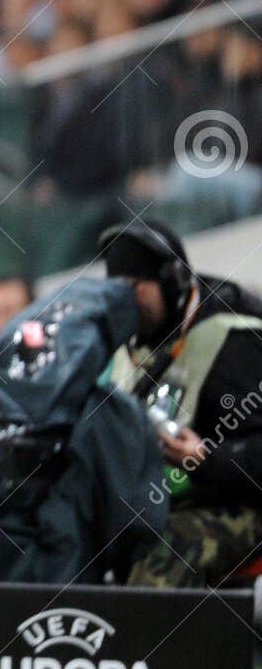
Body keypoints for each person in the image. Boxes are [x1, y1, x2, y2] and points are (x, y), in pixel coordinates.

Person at [97, 221, 262, 587]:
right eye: (117, 289)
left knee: (159, 559)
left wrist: (206, 459)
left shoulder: (236, 339)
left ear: (171, 281)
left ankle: (144, 645)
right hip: (151, 501)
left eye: (137, 288)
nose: (126, 302)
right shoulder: (130, 337)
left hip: (231, 502)